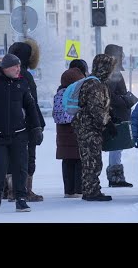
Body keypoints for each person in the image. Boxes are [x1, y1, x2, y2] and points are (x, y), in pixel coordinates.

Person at [0, 53, 42, 212]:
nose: (19, 69)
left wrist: (37, 128)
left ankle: (21, 199)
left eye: (19, 66)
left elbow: (31, 107)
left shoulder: (22, 82)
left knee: (21, 167)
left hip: (19, 133)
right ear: (6, 68)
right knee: (0, 166)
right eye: (15, 66)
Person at [72, 54, 117, 201]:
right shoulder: (94, 84)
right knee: (92, 160)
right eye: (109, 68)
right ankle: (91, 192)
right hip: (88, 129)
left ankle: (91, 189)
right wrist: (107, 122)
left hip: (89, 127)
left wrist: (110, 115)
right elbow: (95, 109)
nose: (111, 71)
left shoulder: (97, 82)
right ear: (104, 68)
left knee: (92, 159)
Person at [6, 39, 45, 202]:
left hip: (5, 123)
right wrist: (38, 124)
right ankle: (25, 190)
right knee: (28, 156)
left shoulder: (1, 72)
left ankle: (8, 190)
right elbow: (31, 102)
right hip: (26, 124)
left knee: (8, 155)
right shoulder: (25, 75)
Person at [104, 44, 134, 187]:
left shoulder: (111, 72)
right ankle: (115, 178)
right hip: (117, 115)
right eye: (121, 55)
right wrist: (124, 100)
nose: (123, 58)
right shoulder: (113, 73)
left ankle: (116, 176)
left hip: (117, 114)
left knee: (117, 147)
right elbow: (109, 94)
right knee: (116, 147)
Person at [53, 67, 85, 198]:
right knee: (78, 161)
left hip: (62, 135)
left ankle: (68, 190)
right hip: (75, 132)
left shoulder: (58, 94)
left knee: (66, 162)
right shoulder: (75, 94)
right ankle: (78, 189)